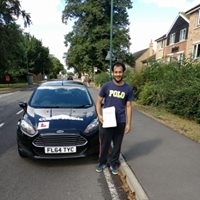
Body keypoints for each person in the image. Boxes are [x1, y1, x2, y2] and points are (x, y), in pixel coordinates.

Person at [95, 61, 133, 175]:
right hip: (107, 121)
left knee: (117, 145)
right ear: (112, 73)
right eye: (116, 72)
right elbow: (98, 102)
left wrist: (128, 124)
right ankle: (102, 163)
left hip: (120, 121)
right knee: (105, 144)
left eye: (120, 72)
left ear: (123, 73)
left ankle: (113, 164)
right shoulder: (106, 86)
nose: (118, 74)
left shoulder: (128, 88)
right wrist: (100, 115)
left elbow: (129, 106)